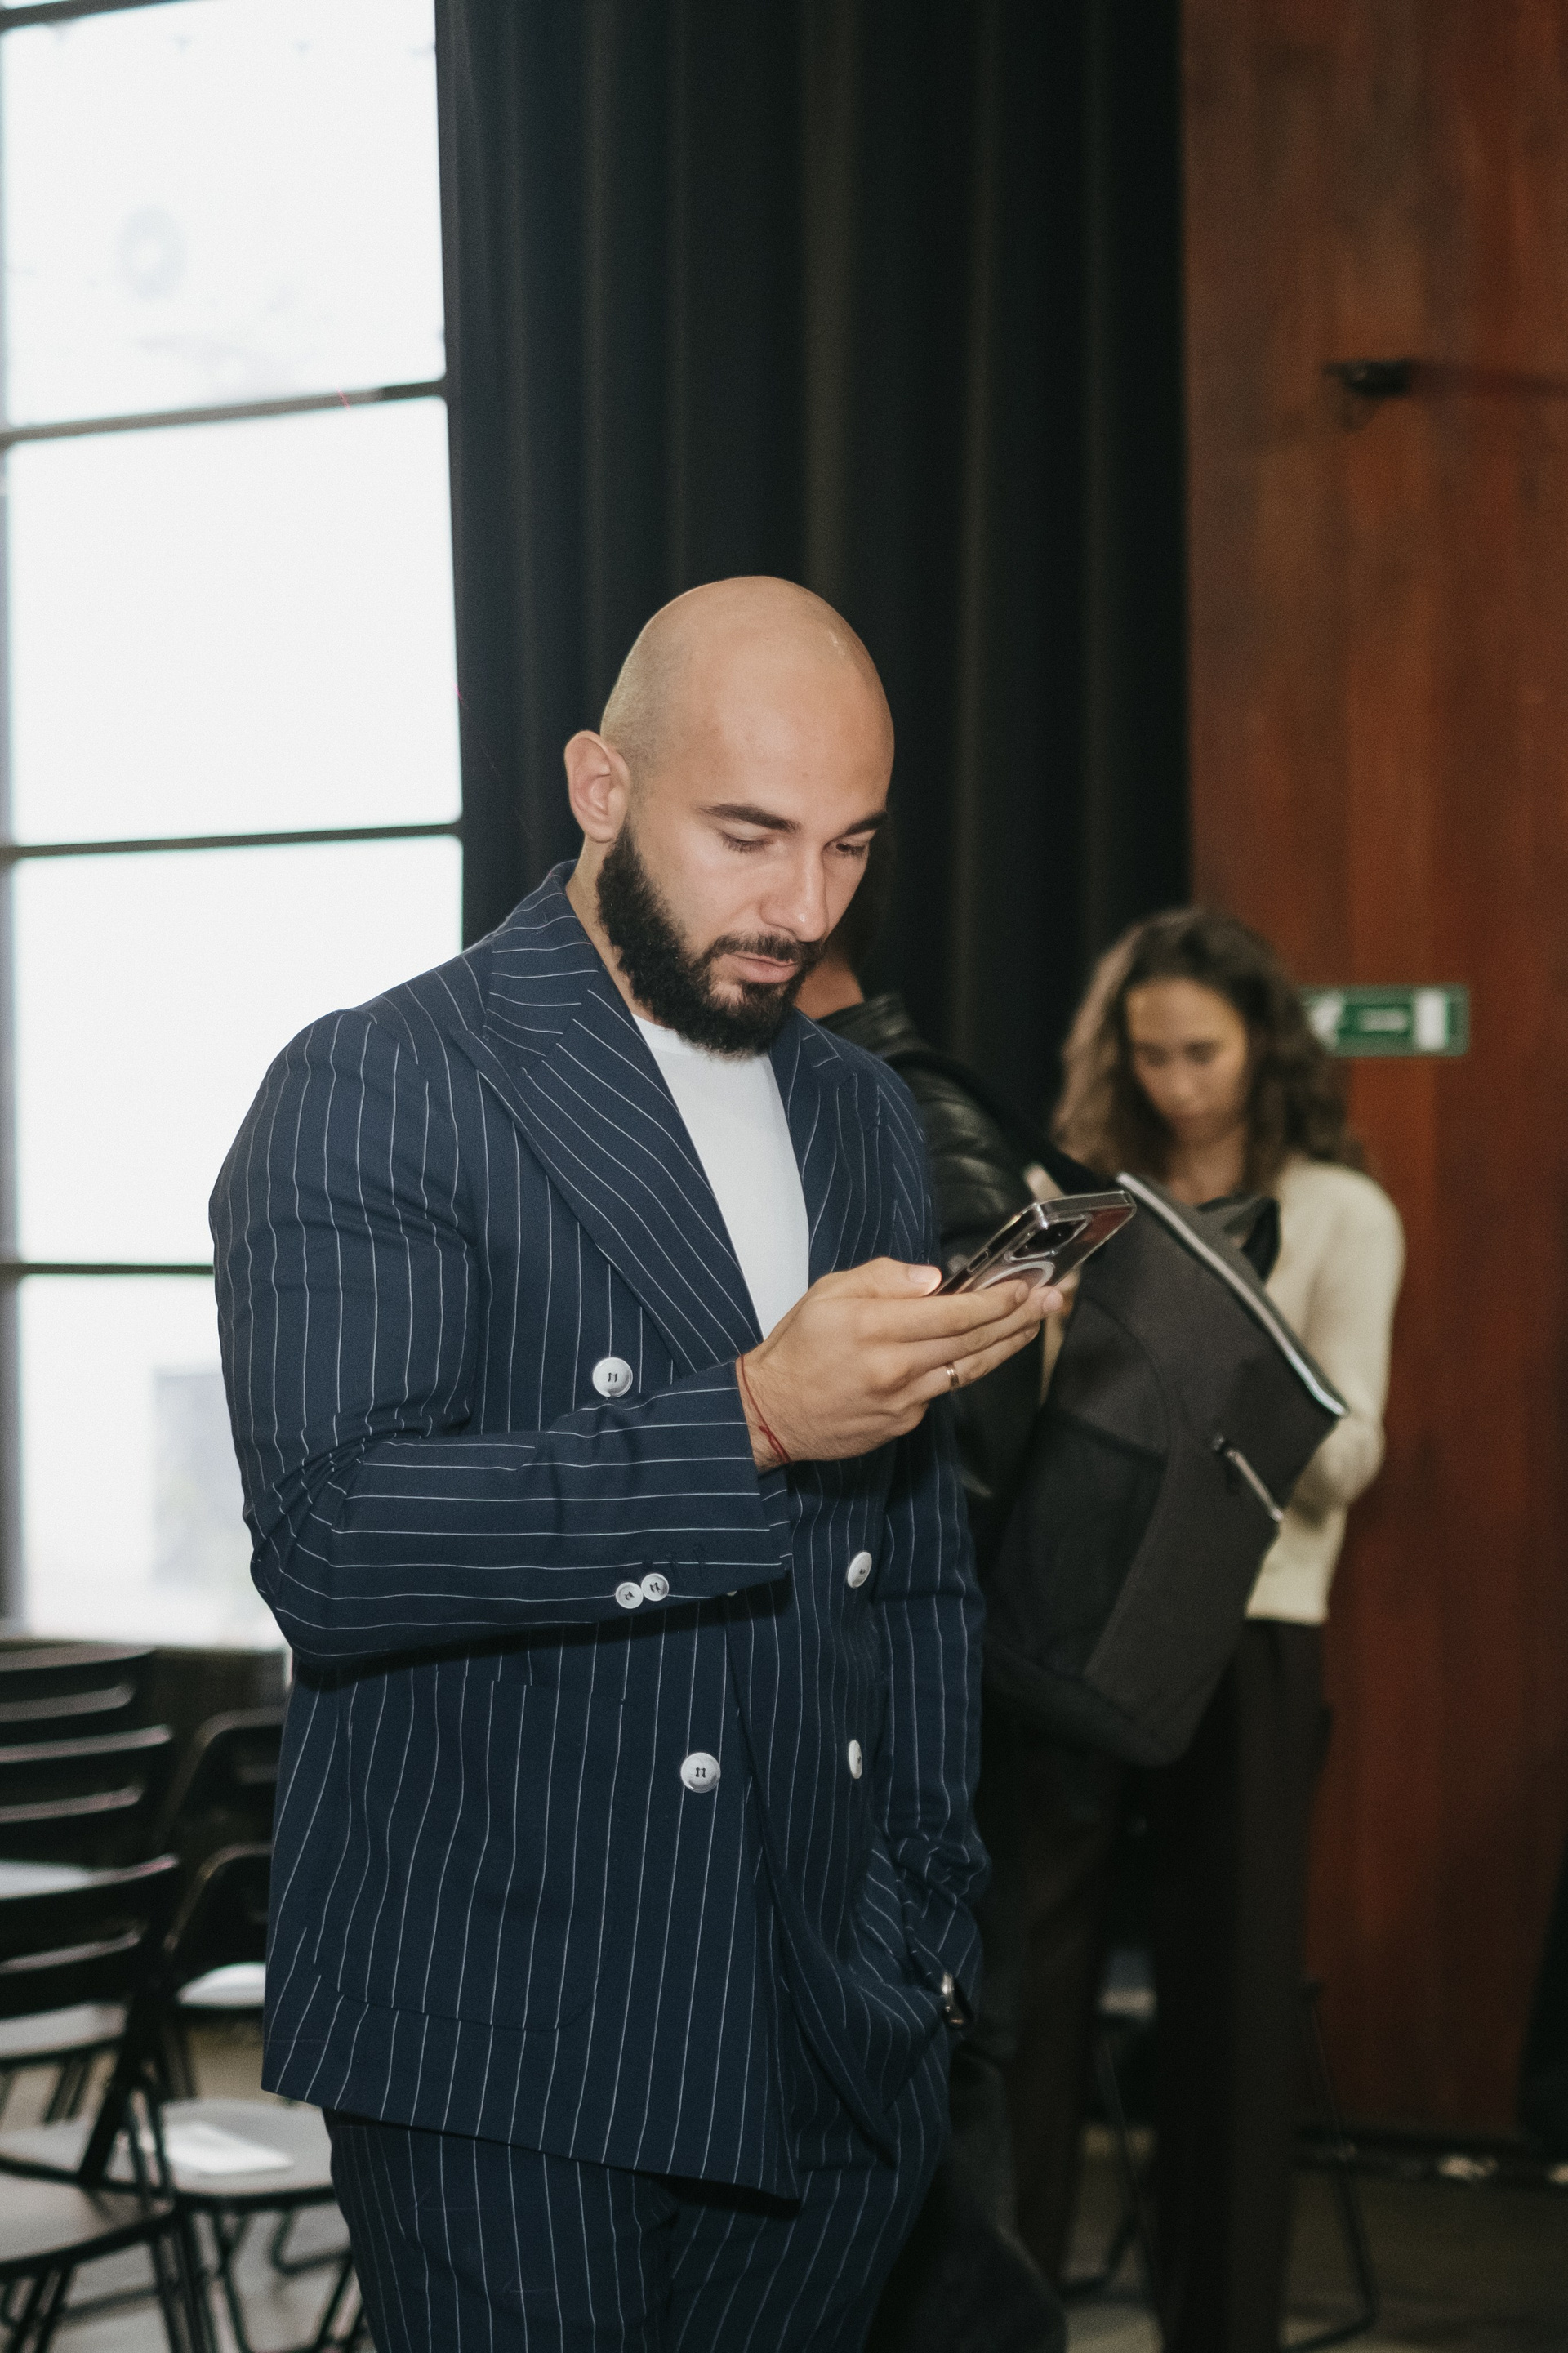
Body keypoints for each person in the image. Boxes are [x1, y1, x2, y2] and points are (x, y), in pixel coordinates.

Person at [211, 577, 1056, 2353]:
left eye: (849, 845)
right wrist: (750, 1417)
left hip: (829, 2009)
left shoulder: (855, 1108)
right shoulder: (381, 1080)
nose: (803, 905)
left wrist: (926, 1923)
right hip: (507, 2019)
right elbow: (337, 1544)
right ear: (600, 785)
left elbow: (909, 1565)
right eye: (748, 835)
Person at [1054, 907, 1405, 2353]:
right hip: (1082, 1617)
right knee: (1035, 1992)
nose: (1179, 1082)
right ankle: (1004, 2315)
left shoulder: (1341, 1210)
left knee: (1238, 2010)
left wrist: (1230, 1341)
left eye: (1202, 1051)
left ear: (1263, 1044)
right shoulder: (1091, 1194)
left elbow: (1352, 1459)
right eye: (1150, 1055)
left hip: (1253, 1626)